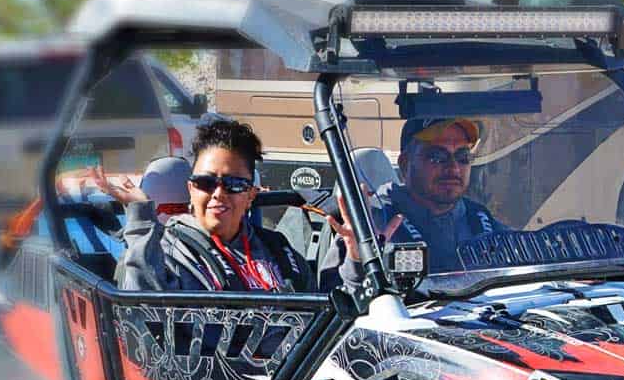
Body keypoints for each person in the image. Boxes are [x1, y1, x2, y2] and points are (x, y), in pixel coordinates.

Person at [116, 119, 313, 292]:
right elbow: (142, 311)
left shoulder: (279, 249)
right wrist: (141, 219)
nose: (218, 194)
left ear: (251, 195)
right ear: (191, 189)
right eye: (205, 183)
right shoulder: (164, 250)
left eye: (234, 185)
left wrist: (345, 251)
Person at [319, 117, 506, 291]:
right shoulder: (372, 220)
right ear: (405, 163)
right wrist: (357, 260)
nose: (454, 168)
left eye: (463, 157)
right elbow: (331, 305)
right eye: (437, 157)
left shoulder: (478, 218)